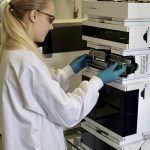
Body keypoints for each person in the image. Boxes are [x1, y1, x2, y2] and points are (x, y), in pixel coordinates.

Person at [0, 0, 125, 150]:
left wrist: (70, 70)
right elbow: (67, 111)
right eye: (50, 19)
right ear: (33, 15)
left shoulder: (12, 52)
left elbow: (38, 91)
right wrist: (98, 81)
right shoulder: (27, 61)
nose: (51, 26)